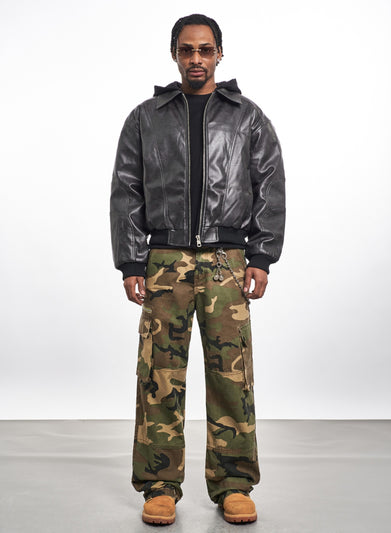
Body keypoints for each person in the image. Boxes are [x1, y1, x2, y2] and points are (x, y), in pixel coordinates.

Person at [110, 13, 286, 525]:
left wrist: (261, 256)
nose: (196, 59)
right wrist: (130, 260)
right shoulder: (145, 118)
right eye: (186, 50)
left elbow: (270, 184)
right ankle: (159, 485)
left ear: (219, 54)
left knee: (231, 377)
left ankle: (234, 484)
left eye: (205, 50)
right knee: (158, 376)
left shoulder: (247, 117)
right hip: (163, 262)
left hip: (227, 263)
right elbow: (126, 190)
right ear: (174, 54)